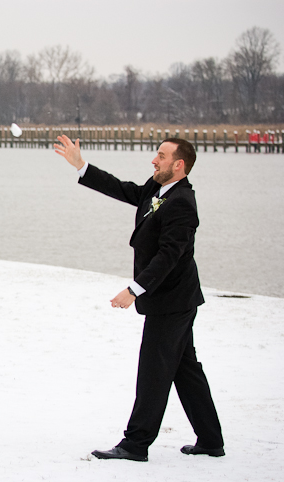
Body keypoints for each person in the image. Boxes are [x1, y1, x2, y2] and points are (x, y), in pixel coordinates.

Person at [54, 135, 224, 462]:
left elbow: (169, 256)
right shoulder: (157, 189)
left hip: (172, 301)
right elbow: (125, 190)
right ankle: (211, 440)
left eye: (161, 155)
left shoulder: (183, 203)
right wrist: (81, 166)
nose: (154, 160)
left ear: (180, 165)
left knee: (154, 371)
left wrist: (134, 290)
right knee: (184, 368)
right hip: (174, 300)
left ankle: (135, 444)